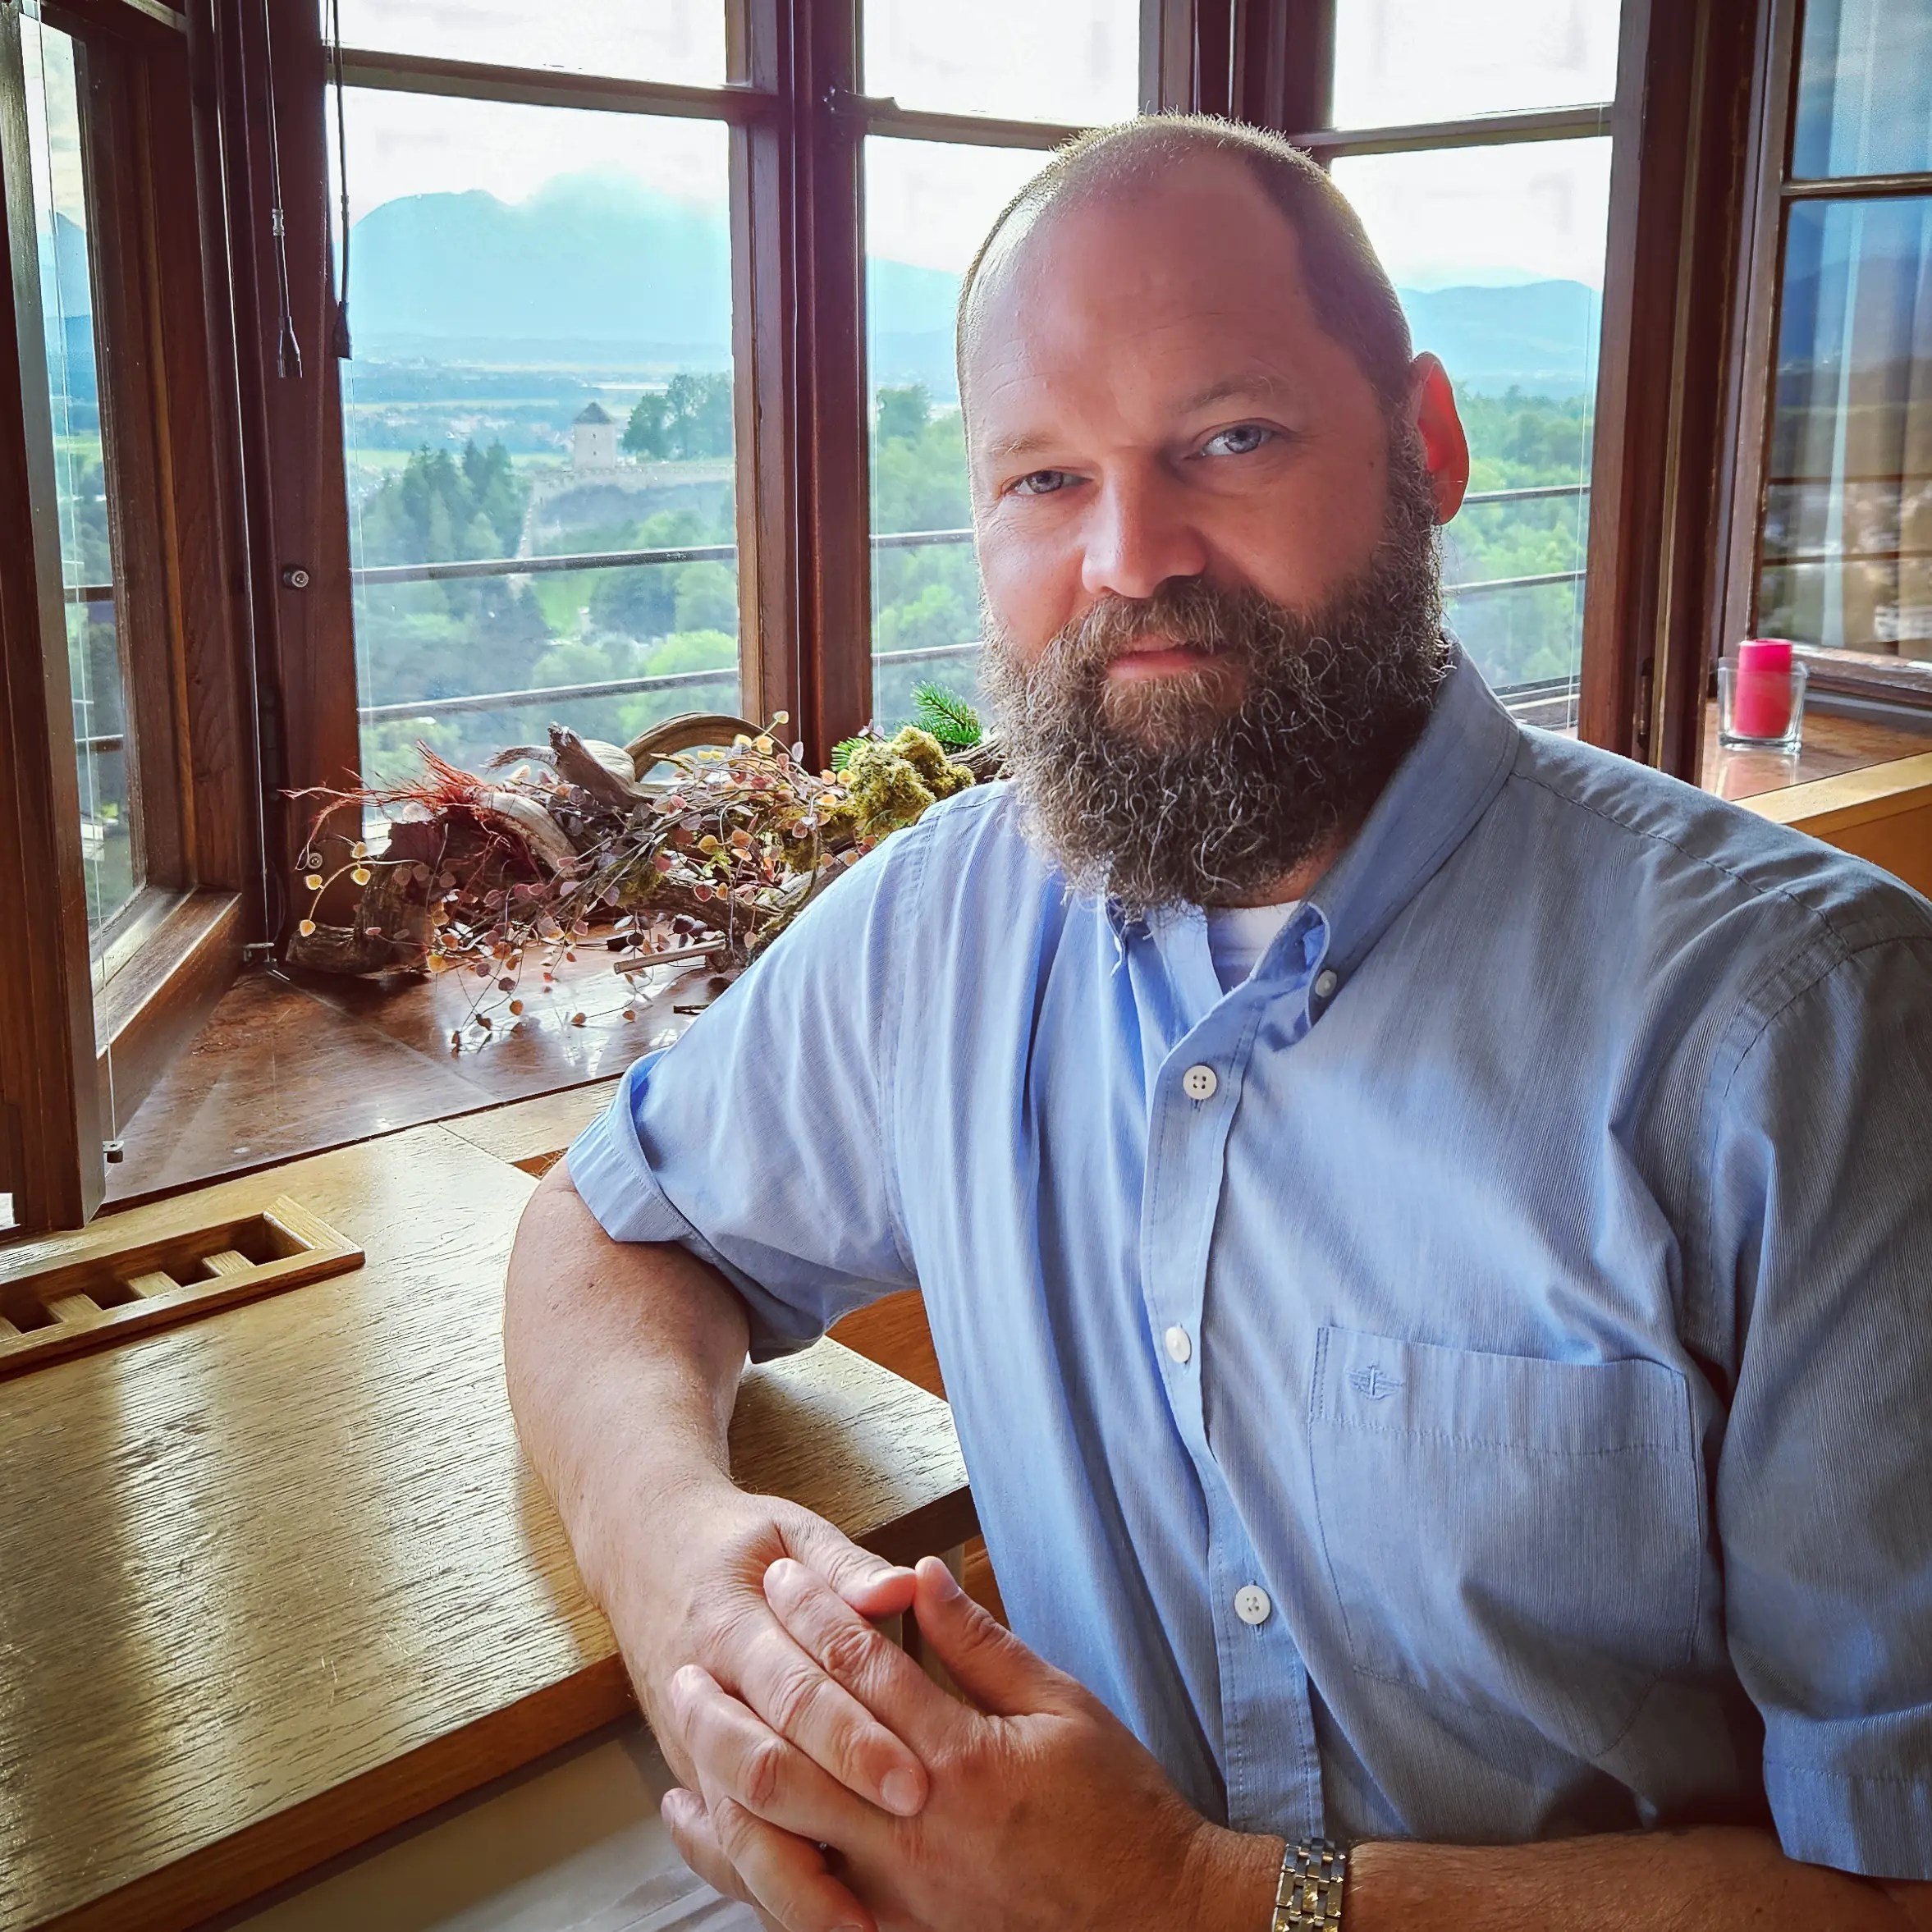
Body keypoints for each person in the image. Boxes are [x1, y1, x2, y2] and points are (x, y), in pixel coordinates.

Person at [504, 115, 1932, 1932]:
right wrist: (680, 1570)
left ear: (1423, 444)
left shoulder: (1806, 1038)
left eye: (1228, 437)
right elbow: (606, 1229)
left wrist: (1195, 1901)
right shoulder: (944, 923)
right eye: (1042, 480)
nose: (1128, 554)